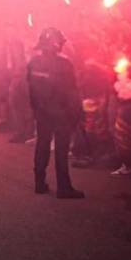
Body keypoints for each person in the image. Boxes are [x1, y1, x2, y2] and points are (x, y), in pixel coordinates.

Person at [27, 27, 85, 199]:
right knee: (61, 149)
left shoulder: (33, 62)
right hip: (61, 112)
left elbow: (30, 90)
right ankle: (63, 187)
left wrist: (36, 110)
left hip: (42, 111)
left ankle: (39, 183)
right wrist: (76, 115)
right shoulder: (64, 64)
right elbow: (71, 92)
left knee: (42, 145)